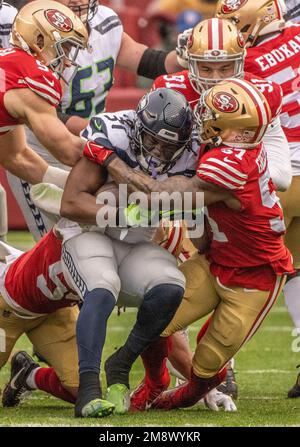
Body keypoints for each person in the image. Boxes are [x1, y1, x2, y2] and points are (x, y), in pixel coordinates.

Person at [91, 78, 293, 410]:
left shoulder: (232, 163)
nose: (202, 114)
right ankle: (155, 381)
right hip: (215, 257)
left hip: (255, 275)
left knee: (208, 362)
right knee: (156, 314)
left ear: (237, 131)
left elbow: (168, 193)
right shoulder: (231, 142)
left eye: (212, 114)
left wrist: (110, 160)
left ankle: (190, 394)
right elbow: (269, 91)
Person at [7, 0, 185, 242]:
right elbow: (57, 135)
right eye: (66, 50)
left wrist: (187, 56)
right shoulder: (31, 48)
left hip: (88, 146)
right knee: (60, 246)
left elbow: (154, 63)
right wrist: (111, 143)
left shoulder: (105, 22)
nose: (78, 1)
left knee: (113, 241)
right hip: (46, 147)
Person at [215, 0, 300, 399]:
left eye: (233, 22)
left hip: (277, 177)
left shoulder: (248, 65)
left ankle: (220, 370)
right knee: (297, 272)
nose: (229, 29)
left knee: (223, 266)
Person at [0, 0, 89, 187]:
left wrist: (66, 185)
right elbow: (68, 151)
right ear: (39, 41)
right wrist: (115, 157)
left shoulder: (11, 69)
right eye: (64, 49)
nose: (66, 63)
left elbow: (16, 156)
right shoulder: (26, 76)